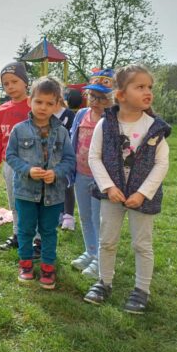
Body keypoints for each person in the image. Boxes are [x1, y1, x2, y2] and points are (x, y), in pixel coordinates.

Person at [83, 65, 170, 314]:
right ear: (121, 95)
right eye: (140, 86)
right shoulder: (106, 124)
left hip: (142, 197)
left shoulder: (155, 127)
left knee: (142, 244)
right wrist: (108, 187)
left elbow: (162, 163)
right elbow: (94, 157)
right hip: (112, 196)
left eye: (149, 87)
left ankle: (142, 290)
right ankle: (104, 282)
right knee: (107, 241)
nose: (147, 92)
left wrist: (143, 193)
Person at [5, 76, 75, 289]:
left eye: (49, 103)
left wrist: (56, 173)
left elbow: (69, 160)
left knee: (48, 231)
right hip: (26, 192)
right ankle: (25, 265)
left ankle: (47, 267)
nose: (43, 107)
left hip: (53, 195)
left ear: (57, 105)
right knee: (25, 229)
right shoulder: (19, 130)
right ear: (30, 101)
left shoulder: (62, 132)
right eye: (39, 102)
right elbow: (11, 156)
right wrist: (27, 170)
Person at [69, 69, 114, 279]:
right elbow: (73, 140)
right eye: (92, 96)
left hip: (100, 178)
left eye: (101, 98)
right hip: (80, 173)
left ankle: (99, 260)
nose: (95, 101)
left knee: (98, 218)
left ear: (111, 99)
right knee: (85, 216)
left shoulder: (112, 119)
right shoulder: (80, 114)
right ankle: (90, 251)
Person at [0, 61, 31, 251]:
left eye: (14, 81)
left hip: (32, 164)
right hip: (9, 164)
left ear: (25, 82)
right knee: (14, 201)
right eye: (6, 84)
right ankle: (17, 234)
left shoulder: (34, 105)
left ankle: (37, 239)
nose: (10, 86)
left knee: (32, 201)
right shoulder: (2, 110)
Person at [55, 96, 77, 231]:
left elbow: (73, 135)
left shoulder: (69, 114)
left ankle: (68, 216)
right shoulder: (44, 113)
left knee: (67, 185)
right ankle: (58, 213)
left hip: (65, 156)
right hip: (49, 158)